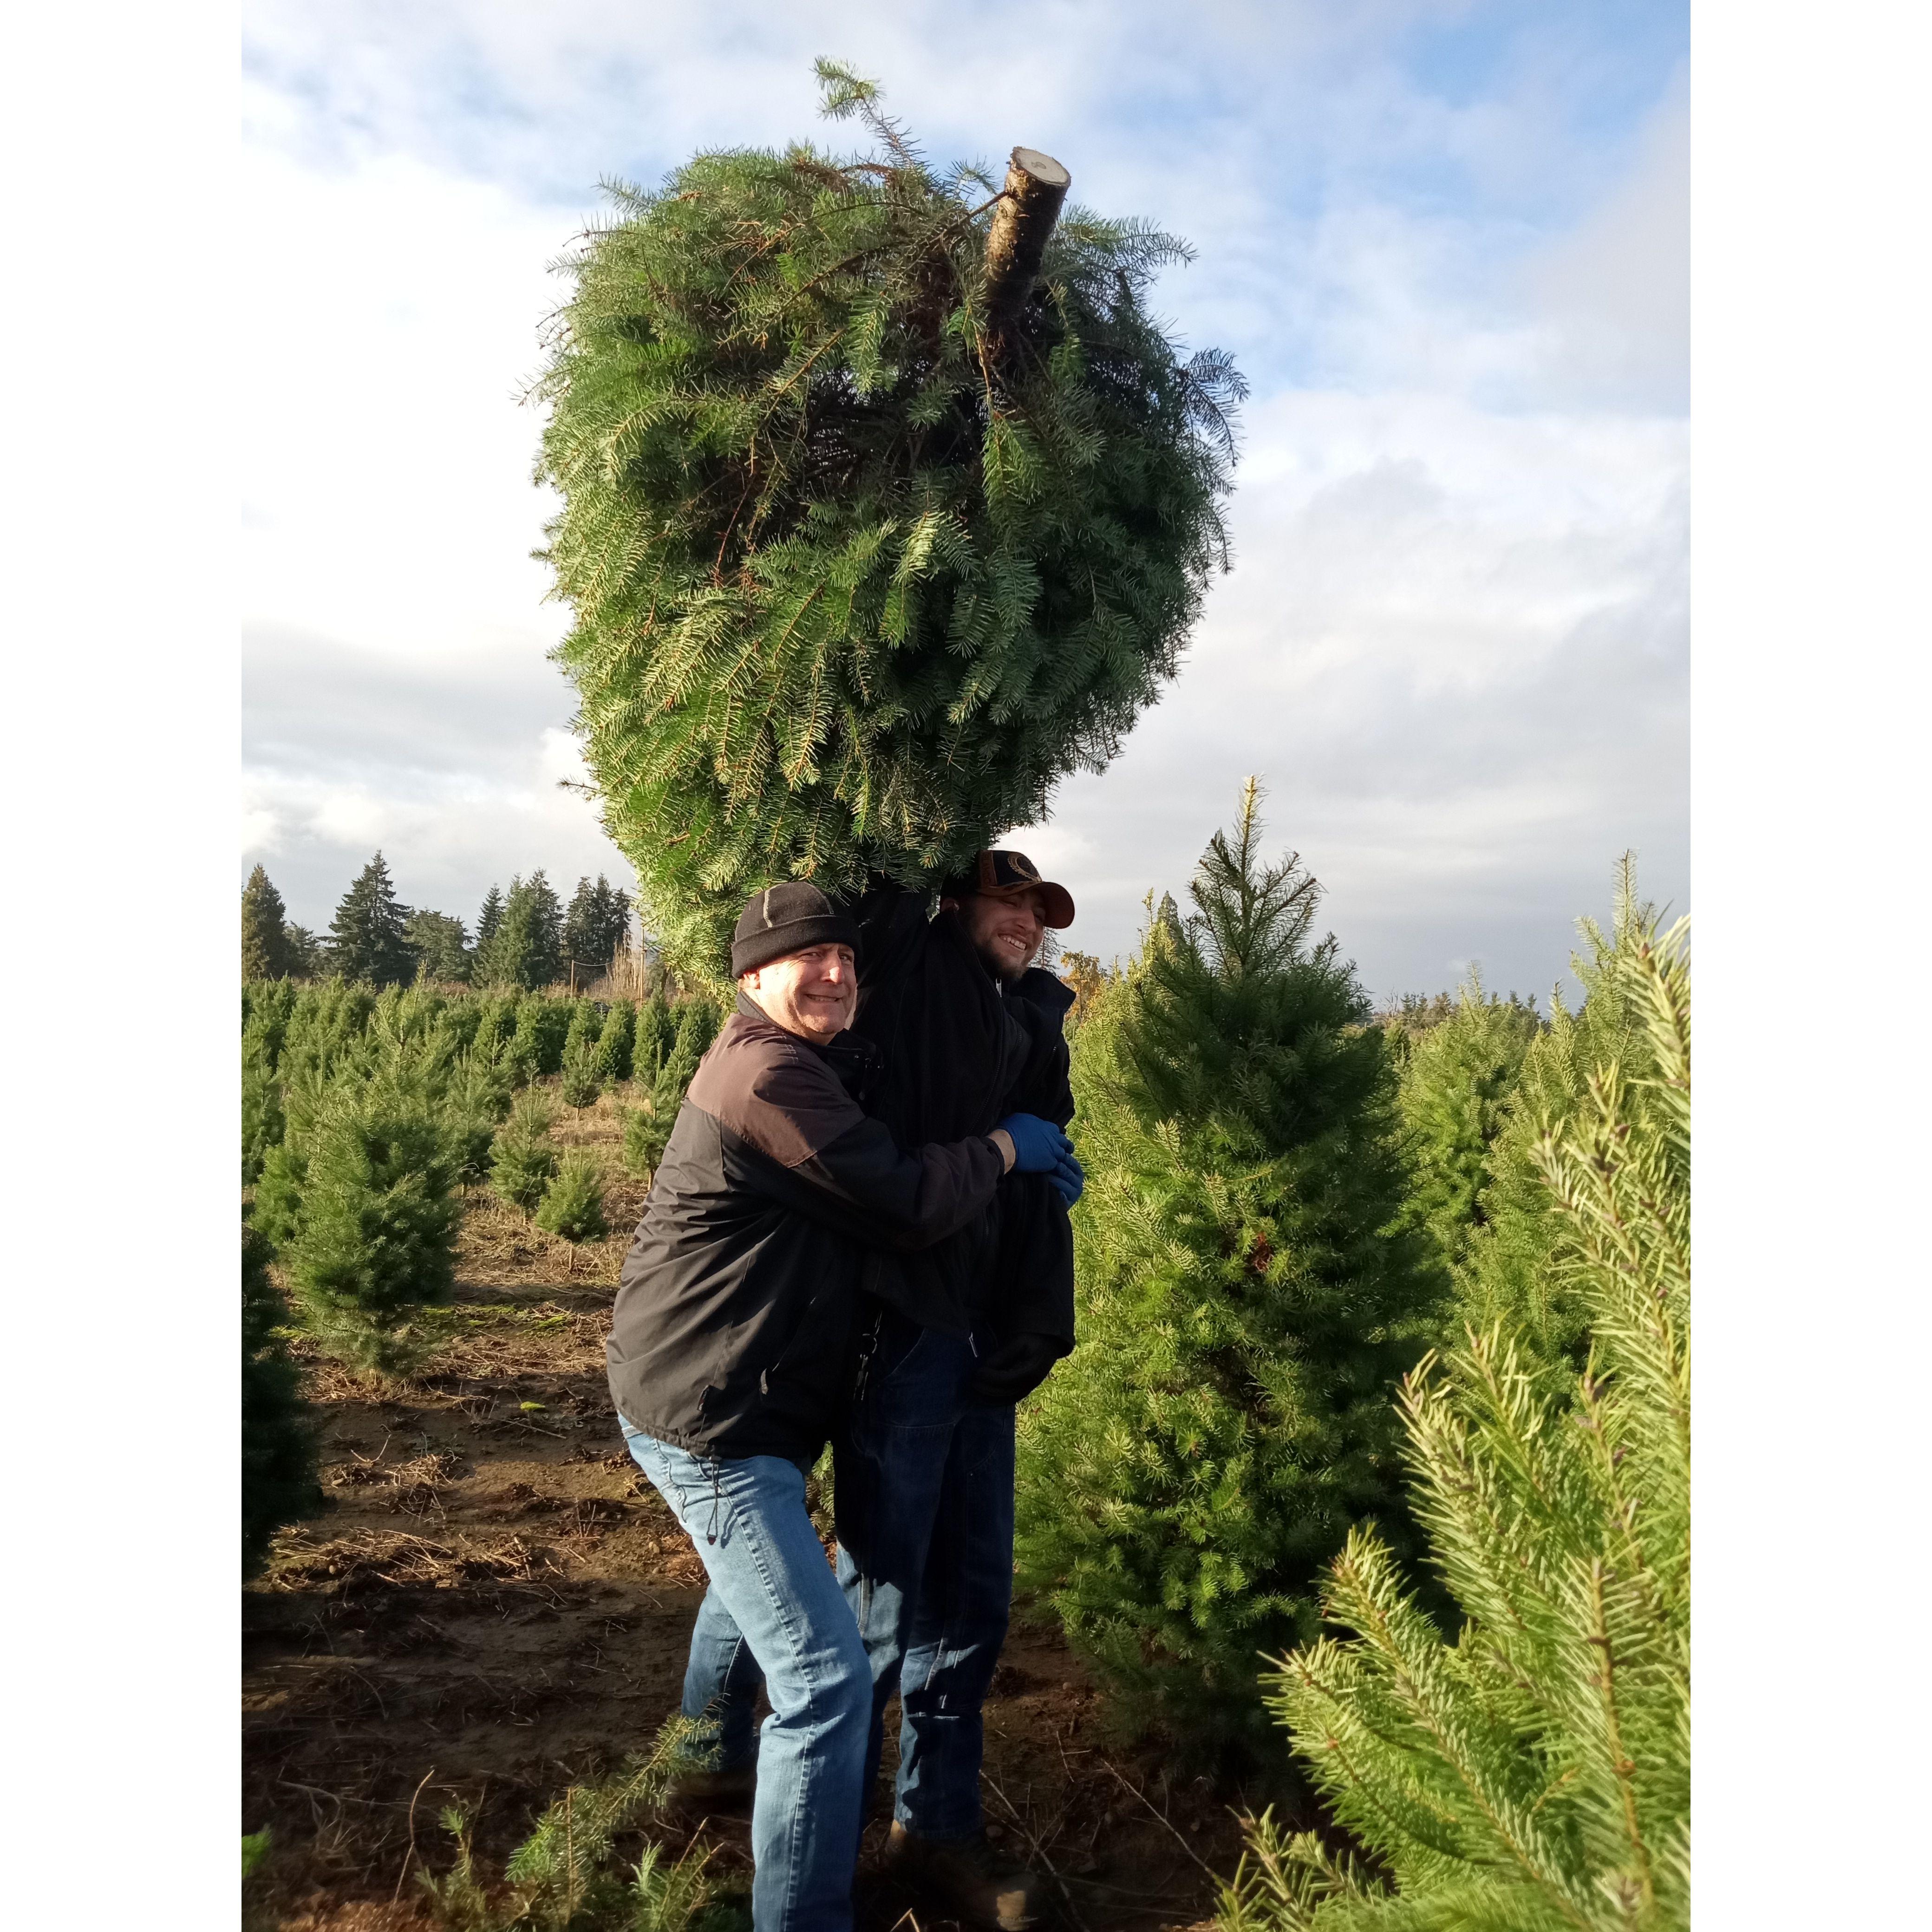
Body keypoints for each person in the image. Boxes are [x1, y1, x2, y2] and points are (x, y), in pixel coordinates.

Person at [606, 881, 1076, 1932]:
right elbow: (905, 1197)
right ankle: (808, 1873)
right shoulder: (774, 1071)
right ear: (749, 977)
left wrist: (1033, 1215)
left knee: (798, 1574)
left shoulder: (872, 1044)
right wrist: (1006, 1150)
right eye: (808, 958)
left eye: (844, 959)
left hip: (781, 1379)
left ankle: (725, 1761)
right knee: (829, 1660)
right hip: (715, 1401)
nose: (833, 974)